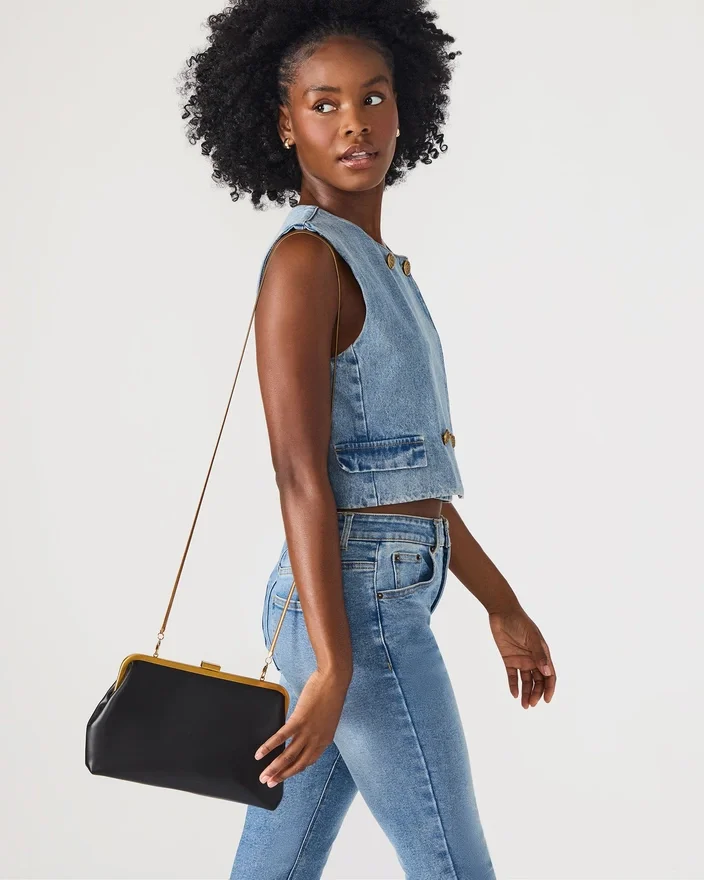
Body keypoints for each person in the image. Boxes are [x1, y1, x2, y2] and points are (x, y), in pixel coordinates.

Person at [179, 3, 556, 878]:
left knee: (277, 866)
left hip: (368, 597)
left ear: (403, 108)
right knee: (453, 864)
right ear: (284, 124)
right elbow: (300, 475)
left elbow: (398, 484)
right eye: (324, 104)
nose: (354, 122)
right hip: (354, 609)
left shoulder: (377, 267)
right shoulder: (305, 263)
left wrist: (499, 602)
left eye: (373, 98)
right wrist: (334, 665)